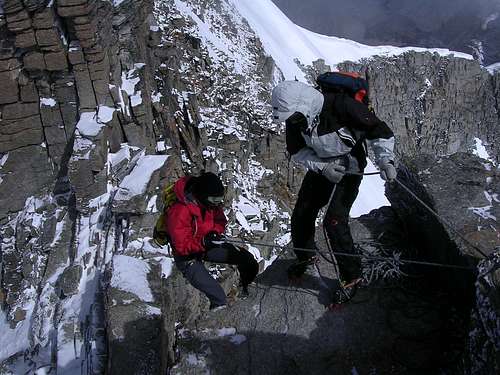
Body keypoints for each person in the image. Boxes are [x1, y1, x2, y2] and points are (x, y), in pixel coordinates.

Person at [271, 78, 397, 298]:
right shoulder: (296, 120)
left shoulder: (342, 106)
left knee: (334, 221)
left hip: (351, 165)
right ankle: (306, 256)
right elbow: (297, 151)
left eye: (293, 116)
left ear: (303, 106)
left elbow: (378, 130)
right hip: (323, 165)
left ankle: (352, 276)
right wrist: (323, 167)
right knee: (303, 212)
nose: (291, 121)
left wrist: (386, 161)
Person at [165, 172, 259, 310]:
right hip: (187, 257)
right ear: (202, 195)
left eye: (219, 200)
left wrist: (214, 232)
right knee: (219, 298)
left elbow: (220, 220)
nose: (217, 204)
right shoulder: (180, 211)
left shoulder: (210, 205)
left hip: (208, 245)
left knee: (247, 260)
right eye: (214, 200)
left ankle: (246, 290)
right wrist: (203, 242)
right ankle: (218, 322)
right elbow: (180, 246)